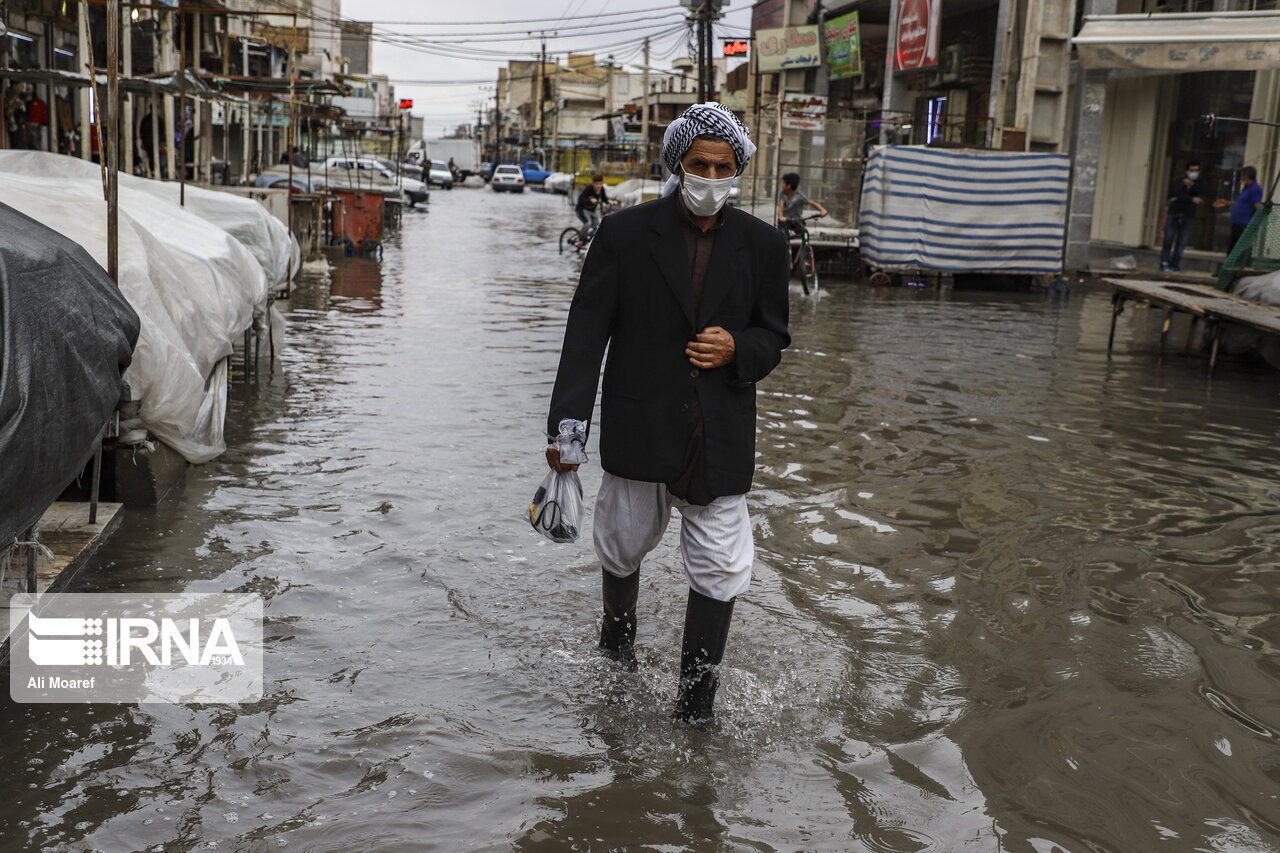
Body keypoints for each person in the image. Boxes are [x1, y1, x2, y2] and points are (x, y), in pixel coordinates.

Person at [545, 102, 791, 729]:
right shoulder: (626, 235)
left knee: (721, 567)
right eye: (699, 164)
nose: (711, 176)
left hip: (718, 434)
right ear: (676, 166)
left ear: (739, 172)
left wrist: (739, 349)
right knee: (622, 546)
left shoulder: (763, 244)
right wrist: (567, 431)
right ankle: (617, 652)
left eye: (723, 166)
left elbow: (773, 337)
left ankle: (695, 707)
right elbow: (585, 337)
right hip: (641, 425)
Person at [1160, 160, 1205, 272]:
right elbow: (1177, 193)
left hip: (1188, 214)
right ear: (1186, 171)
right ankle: (1164, 262)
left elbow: (1203, 190)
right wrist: (1192, 199)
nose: (1194, 172)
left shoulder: (1200, 182)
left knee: (1182, 241)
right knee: (1168, 239)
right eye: (1191, 170)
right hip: (1174, 212)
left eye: (1196, 170)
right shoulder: (1179, 180)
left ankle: (1175, 264)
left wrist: (1192, 185)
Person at [1214, 165, 1263, 252]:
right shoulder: (1246, 188)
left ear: (1246, 176)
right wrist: (1226, 202)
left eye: (1242, 175)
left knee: (1241, 248)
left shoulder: (1254, 189)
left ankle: (1242, 264)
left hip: (1244, 223)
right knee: (1232, 247)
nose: (1241, 177)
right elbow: (1241, 203)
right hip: (1237, 222)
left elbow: (1256, 205)